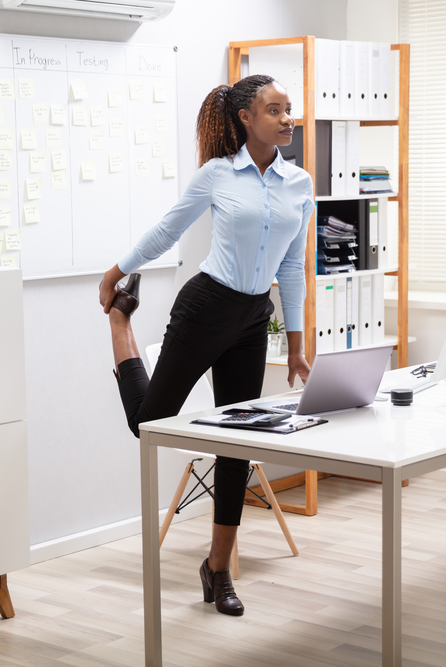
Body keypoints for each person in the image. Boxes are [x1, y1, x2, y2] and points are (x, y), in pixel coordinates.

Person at [99, 74, 314, 616]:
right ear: (246, 118)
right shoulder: (218, 175)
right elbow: (169, 230)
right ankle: (121, 327)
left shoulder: (299, 184)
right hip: (205, 306)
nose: (288, 119)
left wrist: (296, 344)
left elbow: (292, 266)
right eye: (275, 110)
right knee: (150, 422)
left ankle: (218, 570)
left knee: (237, 442)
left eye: (289, 109)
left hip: (250, 318)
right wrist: (116, 272)